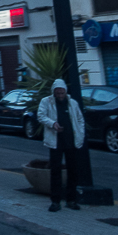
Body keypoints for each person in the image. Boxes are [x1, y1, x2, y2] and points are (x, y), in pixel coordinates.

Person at [38, 78, 85, 212]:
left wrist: (80, 134)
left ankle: (71, 200)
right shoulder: (46, 102)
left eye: (62, 93)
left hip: (71, 141)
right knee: (55, 172)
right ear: (53, 92)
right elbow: (41, 116)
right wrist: (53, 124)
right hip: (55, 142)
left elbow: (80, 119)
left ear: (65, 92)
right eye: (57, 93)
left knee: (73, 172)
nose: (60, 96)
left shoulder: (73, 103)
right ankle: (55, 201)